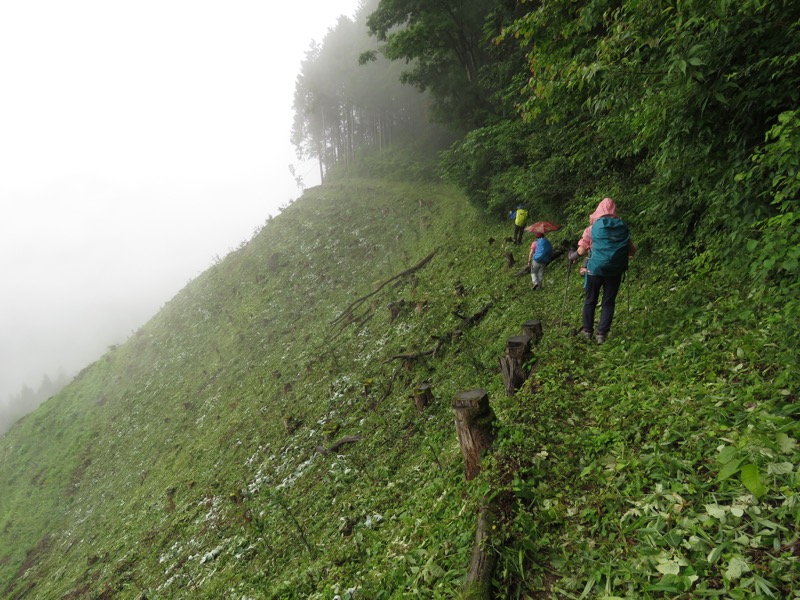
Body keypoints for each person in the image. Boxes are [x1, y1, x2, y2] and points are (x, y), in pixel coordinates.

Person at [568, 197, 636, 344]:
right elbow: (632, 250)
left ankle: (587, 332)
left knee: (590, 300)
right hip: (614, 271)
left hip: (594, 270)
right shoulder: (621, 228)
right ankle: (601, 335)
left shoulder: (592, 229)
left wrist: (572, 256)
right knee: (608, 302)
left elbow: (581, 251)